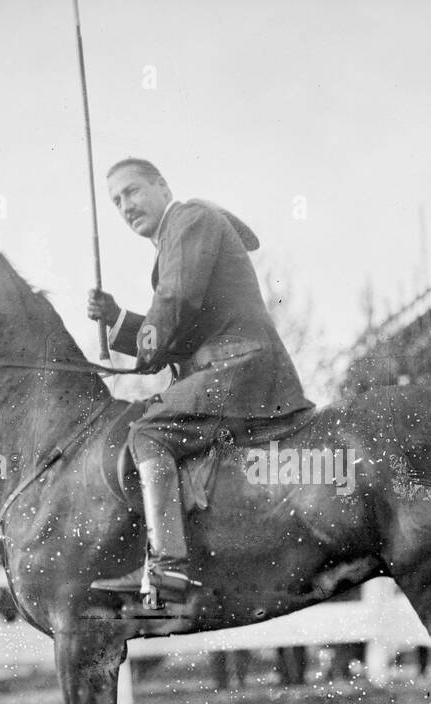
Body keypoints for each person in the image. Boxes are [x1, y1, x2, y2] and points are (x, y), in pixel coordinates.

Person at [86, 157, 313, 601]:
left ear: (162, 185)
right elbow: (181, 329)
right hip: (224, 365)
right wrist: (117, 322)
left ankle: (168, 569)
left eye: (132, 191)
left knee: (148, 432)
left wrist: (148, 346)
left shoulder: (189, 219)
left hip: (239, 367)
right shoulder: (177, 239)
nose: (125, 206)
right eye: (116, 202)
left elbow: (177, 301)